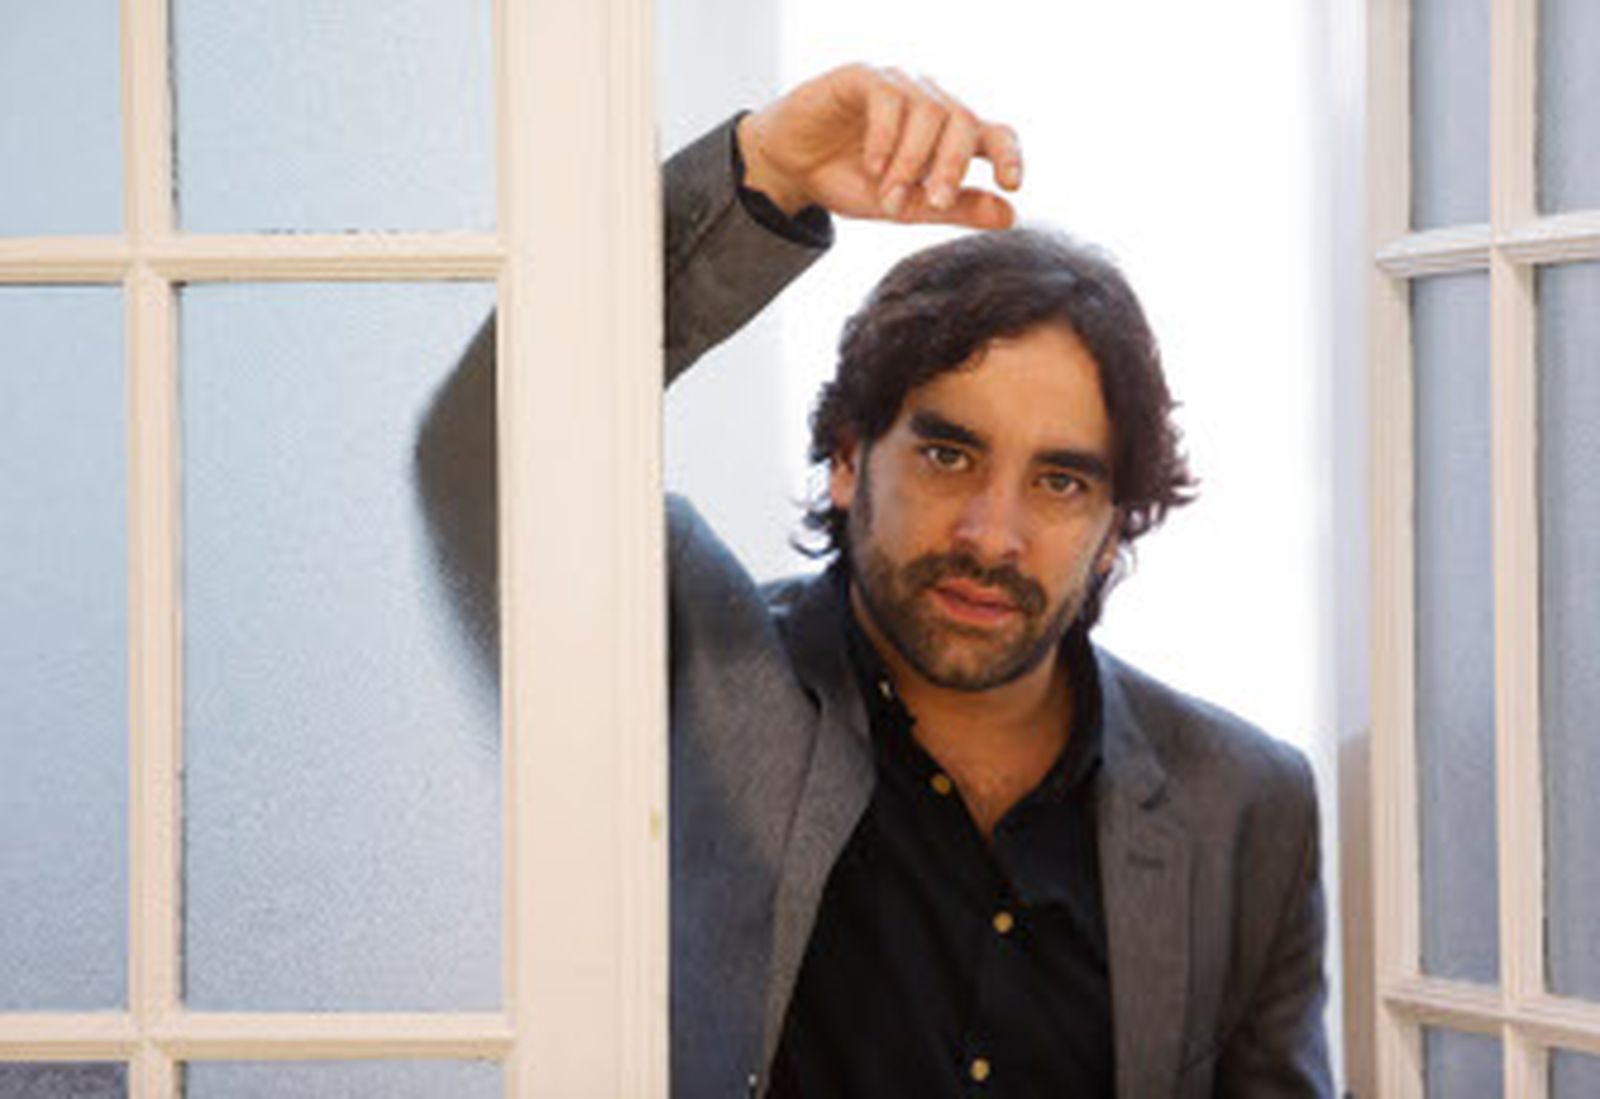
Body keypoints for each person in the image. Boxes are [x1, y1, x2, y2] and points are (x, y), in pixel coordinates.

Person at [417, 64, 1332, 1098]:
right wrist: (762, 173)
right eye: (947, 454)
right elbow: (483, 450)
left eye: (1060, 481)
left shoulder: (1245, 804)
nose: (993, 536)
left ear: (1114, 523)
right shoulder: (692, 672)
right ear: (849, 457)